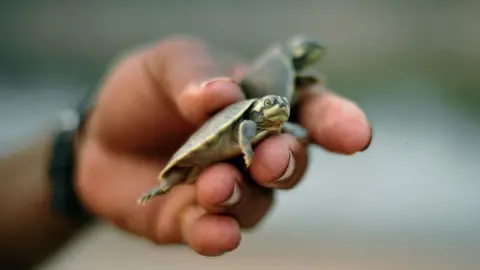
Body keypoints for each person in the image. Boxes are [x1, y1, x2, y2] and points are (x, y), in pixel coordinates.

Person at [0, 35, 372, 268]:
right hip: (212, 140)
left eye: (280, 106)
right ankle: (161, 186)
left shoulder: (270, 125)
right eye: (271, 104)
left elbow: (276, 125)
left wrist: (77, 162)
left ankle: (161, 184)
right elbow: (244, 128)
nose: (276, 108)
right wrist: (247, 150)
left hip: (218, 151)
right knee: (197, 174)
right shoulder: (249, 124)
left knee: (220, 182)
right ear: (260, 108)